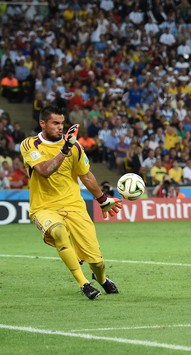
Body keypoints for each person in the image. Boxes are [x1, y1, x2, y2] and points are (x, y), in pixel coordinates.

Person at [20, 105, 122, 300]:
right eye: (55, 123)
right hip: (44, 207)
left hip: (74, 206)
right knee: (58, 232)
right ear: (43, 123)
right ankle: (83, 283)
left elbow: (85, 175)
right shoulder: (30, 145)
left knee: (97, 261)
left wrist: (102, 199)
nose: (60, 127)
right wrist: (65, 147)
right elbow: (43, 170)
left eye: (62, 123)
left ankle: (101, 278)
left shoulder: (75, 147)